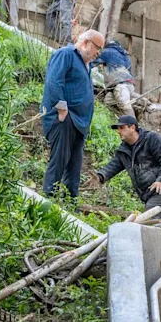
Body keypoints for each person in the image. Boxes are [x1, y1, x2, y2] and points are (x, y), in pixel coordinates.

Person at [41, 30, 104, 197]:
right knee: (59, 161)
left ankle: (70, 201)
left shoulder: (86, 65)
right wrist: (62, 109)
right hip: (65, 118)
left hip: (79, 122)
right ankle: (49, 198)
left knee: (74, 166)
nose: (98, 54)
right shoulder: (66, 54)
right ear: (85, 43)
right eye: (97, 48)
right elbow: (54, 81)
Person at [94, 115, 161, 216]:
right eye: (117, 129)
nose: (118, 132)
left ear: (132, 127)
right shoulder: (124, 150)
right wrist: (100, 176)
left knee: (151, 221)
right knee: (157, 224)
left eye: (122, 128)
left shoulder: (151, 139)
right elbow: (113, 165)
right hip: (149, 194)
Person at [91, 40, 137, 118]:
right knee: (108, 103)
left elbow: (91, 63)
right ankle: (114, 125)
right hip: (128, 84)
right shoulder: (125, 56)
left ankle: (134, 128)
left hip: (121, 85)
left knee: (125, 106)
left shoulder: (107, 52)